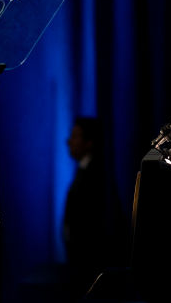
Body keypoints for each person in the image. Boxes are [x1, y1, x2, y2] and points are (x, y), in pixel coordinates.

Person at [62, 116, 110, 299]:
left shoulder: (95, 176)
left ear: (89, 142)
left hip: (89, 265)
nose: (69, 141)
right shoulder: (83, 171)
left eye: (75, 136)